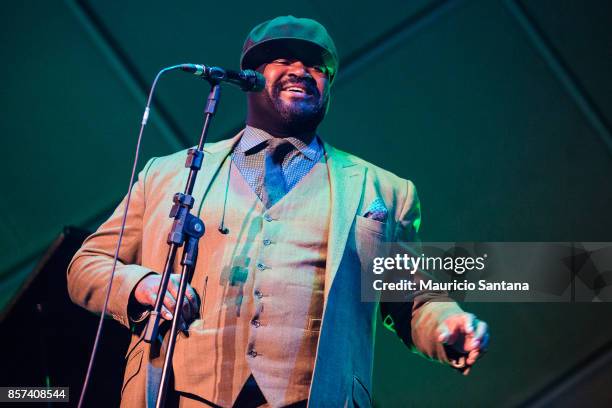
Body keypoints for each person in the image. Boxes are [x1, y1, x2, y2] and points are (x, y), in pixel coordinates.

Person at [68, 15, 489, 408]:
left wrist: (447, 325)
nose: (302, 71)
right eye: (283, 59)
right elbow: (87, 264)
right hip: (178, 394)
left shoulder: (383, 190)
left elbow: (412, 301)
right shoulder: (169, 173)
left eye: (317, 66)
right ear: (251, 77)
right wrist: (141, 284)